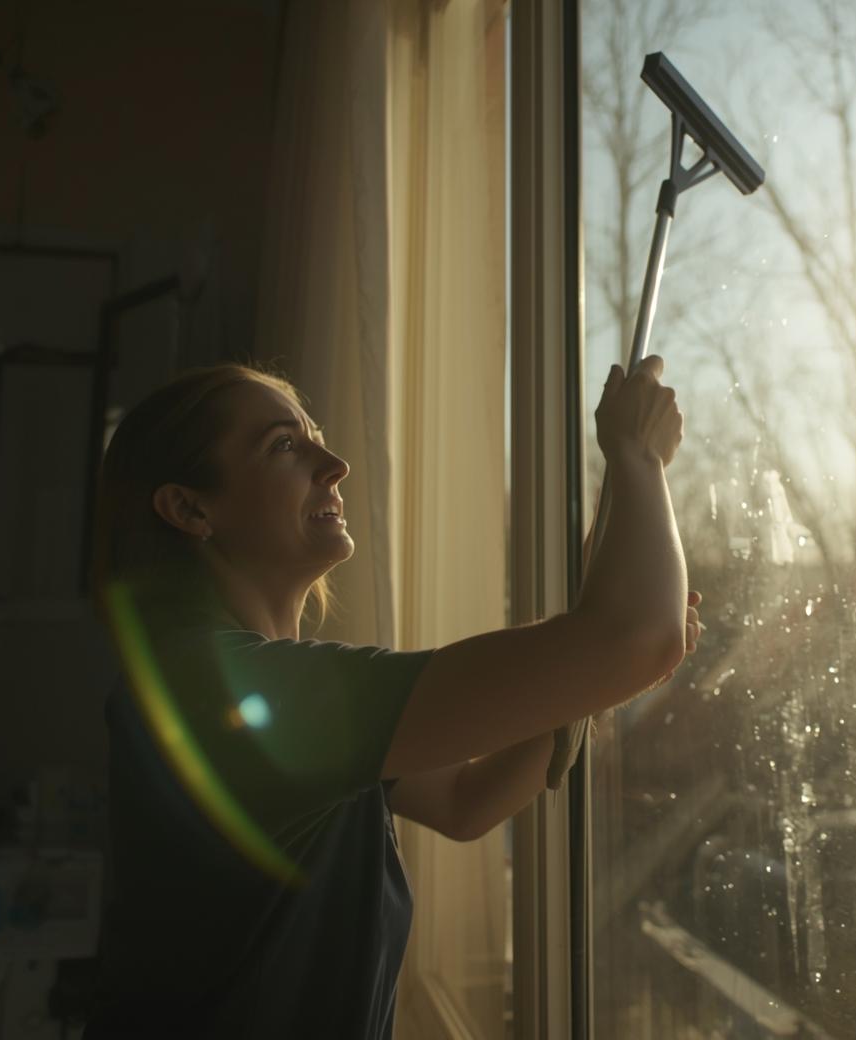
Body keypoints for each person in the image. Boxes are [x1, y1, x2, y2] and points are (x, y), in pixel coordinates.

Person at [83, 357, 701, 1038]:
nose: (335, 464)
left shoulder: (237, 683)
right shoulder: (223, 689)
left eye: (315, 436)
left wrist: (595, 675)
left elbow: (465, 800)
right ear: (190, 508)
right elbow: (638, 638)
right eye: (284, 445)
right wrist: (637, 458)